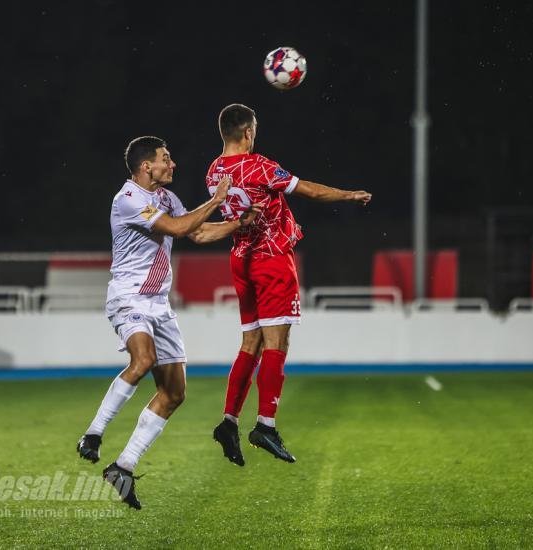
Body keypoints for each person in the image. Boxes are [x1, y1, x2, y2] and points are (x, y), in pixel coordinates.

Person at [76, 135, 260, 509]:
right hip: (129, 297)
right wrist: (218, 200)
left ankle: (123, 467)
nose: (172, 164)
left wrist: (238, 225)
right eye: (166, 158)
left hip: (159, 305)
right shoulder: (128, 199)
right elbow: (177, 229)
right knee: (142, 361)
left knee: (175, 393)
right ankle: (93, 434)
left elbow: (197, 230)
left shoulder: (167, 200)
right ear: (147, 166)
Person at [207, 104, 372, 466]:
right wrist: (348, 195)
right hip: (271, 259)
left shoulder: (214, 171)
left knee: (250, 341)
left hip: (240, 259)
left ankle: (228, 420)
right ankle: (265, 424)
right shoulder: (259, 166)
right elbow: (308, 190)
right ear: (248, 132)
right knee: (276, 342)